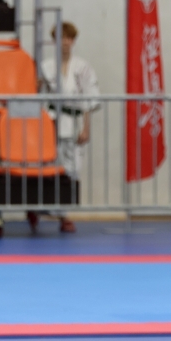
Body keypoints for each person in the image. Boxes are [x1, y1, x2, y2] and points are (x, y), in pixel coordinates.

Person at [31, 21, 100, 233]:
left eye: (69, 38)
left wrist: (86, 127)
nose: (65, 42)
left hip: (73, 121)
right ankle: (41, 210)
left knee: (72, 170)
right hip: (51, 121)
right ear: (54, 41)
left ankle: (63, 213)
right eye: (61, 38)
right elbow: (37, 95)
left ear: (73, 41)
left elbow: (90, 98)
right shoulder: (46, 66)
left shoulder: (83, 67)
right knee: (47, 168)